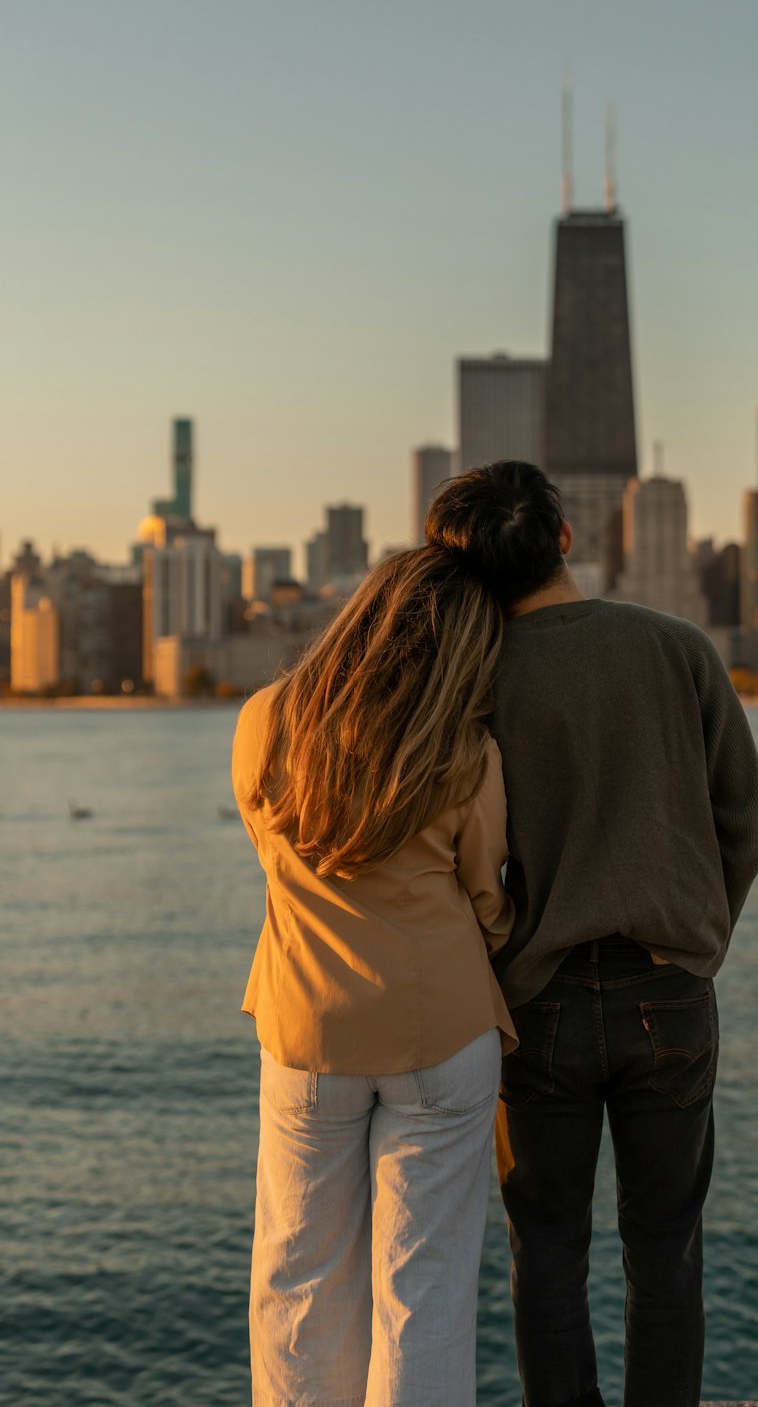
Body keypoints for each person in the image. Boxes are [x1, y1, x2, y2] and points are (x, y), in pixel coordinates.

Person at [426, 461, 758, 1407]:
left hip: (537, 1007)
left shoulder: (476, 678)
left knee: (546, 1258)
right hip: (670, 993)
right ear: (566, 538)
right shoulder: (677, 647)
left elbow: (460, 855)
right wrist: (695, 942)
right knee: (666, 1254)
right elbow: (745, 817)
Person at [231, 546, 516, 1407]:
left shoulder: (266, 721)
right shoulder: (465, 752)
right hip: (441, 1036)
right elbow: (486, 899)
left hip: (307, 1030)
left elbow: (269, 848)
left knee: (299, 1282)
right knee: (422, 1296)